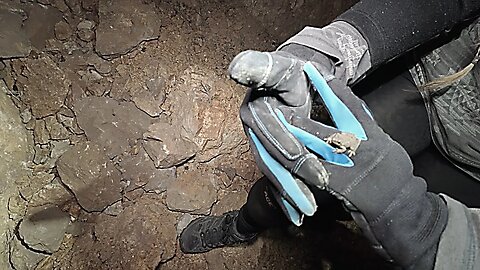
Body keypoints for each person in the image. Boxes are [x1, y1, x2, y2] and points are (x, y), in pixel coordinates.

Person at [180, 0, 480, 269]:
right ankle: (246, 223)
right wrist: (335, 46)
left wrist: (432, 235)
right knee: (306, 171)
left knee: (374, 210)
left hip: (470, 172)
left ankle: (325, 220)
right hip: (435, 82)